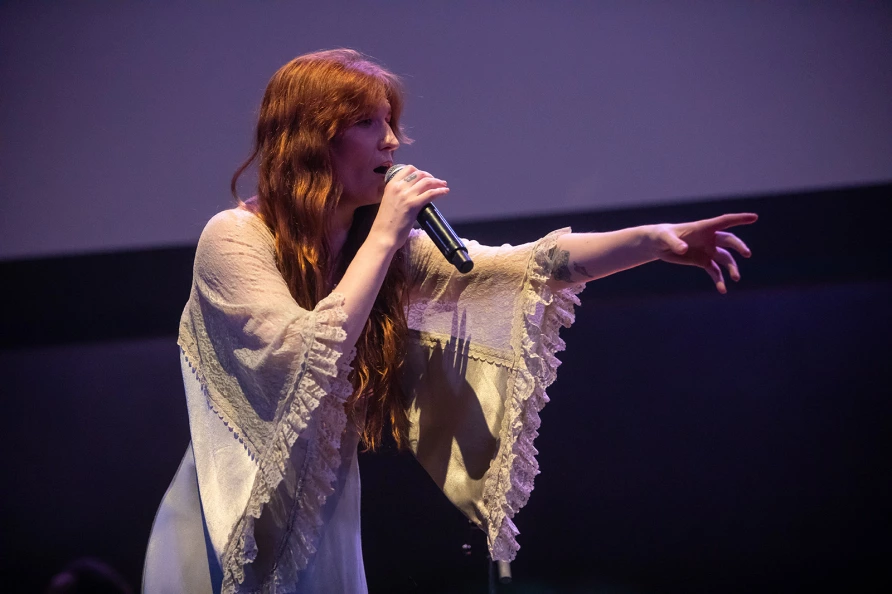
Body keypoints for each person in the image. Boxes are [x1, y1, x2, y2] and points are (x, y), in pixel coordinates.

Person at [142, 49, 757, 594]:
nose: (391, 142)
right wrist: (386, 234)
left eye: (390, 122)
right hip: (230, 511)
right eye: (368, 123)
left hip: (323, 514)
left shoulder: (381, 247)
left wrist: (651, 241)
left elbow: (522, 267)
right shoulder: (234, 238)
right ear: (311, 139)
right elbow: (301, 356)